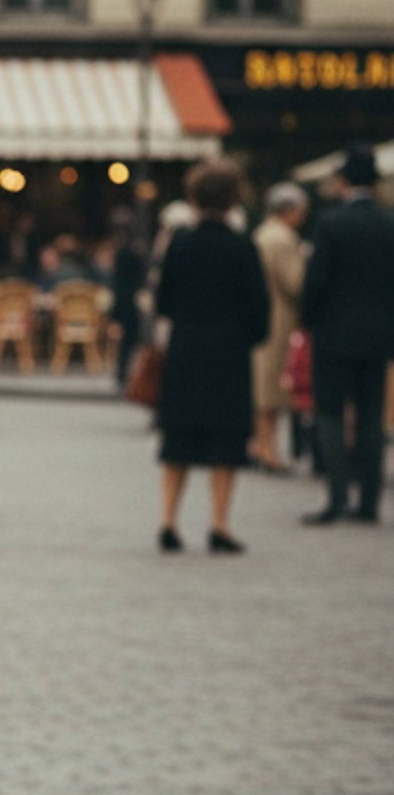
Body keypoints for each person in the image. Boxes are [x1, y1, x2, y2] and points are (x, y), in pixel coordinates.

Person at [154, 158, 270, 553]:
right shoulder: (242, 248)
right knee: (226, 442)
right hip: (228, 353)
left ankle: (168, 518)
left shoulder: (180, 244)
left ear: (194, 197)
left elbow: (163, 301)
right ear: (234, 199)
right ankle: (219, 523)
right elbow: (259, 310)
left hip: (186, 348)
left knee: (178, 440)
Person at [301, 144, 394, 525]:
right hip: (379, 336)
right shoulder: (389, 224)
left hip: (334, 334)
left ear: (342, 182)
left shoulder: (329, 223)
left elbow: (316, 281)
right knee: (372, 416)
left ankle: (337, 495)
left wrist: (309, 322)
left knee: (330, 413)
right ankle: (370, 501)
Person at [250, 181, 309, 473]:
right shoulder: (283, 239)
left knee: (264, 387)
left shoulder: (262, 234)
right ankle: (267, 448)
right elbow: (296, 283)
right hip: (279, 320)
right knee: (272, 388)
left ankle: (262, 444)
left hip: (262, 317)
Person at [108, 214, 148, 390]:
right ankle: (126, 374)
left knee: (128, 340)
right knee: (130, 340)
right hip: (132, 299)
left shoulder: (124, 250)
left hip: (126, 299)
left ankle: (124, 374)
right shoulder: (135, 249)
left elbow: (118, 280)